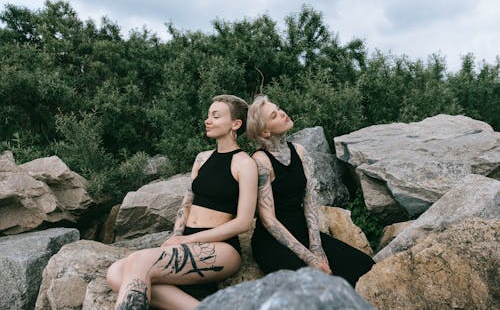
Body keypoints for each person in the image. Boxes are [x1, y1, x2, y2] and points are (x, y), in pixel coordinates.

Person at [107, 95, 257, 310]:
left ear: (235, 124)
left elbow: (243, 222)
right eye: (208, 115)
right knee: (114, 274)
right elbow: (187, 203)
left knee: (138, 262)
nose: (208, 120)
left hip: (222, 249)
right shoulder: (202, 158)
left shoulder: (245, 164)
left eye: (216, 116)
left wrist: (189, 241)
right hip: (187, 239)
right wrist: (178, 235)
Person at [247, 95, 374, 287]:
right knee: (315, 285)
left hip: (303, 232)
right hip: (273, 242)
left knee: (365, 267)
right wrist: (310, 258)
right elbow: (269, 220)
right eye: (274, 115)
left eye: (279, 108)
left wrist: (317, 246)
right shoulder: (260, 161)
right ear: (265, 132)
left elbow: (309, 200)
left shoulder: (299, 150)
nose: (282, 113)